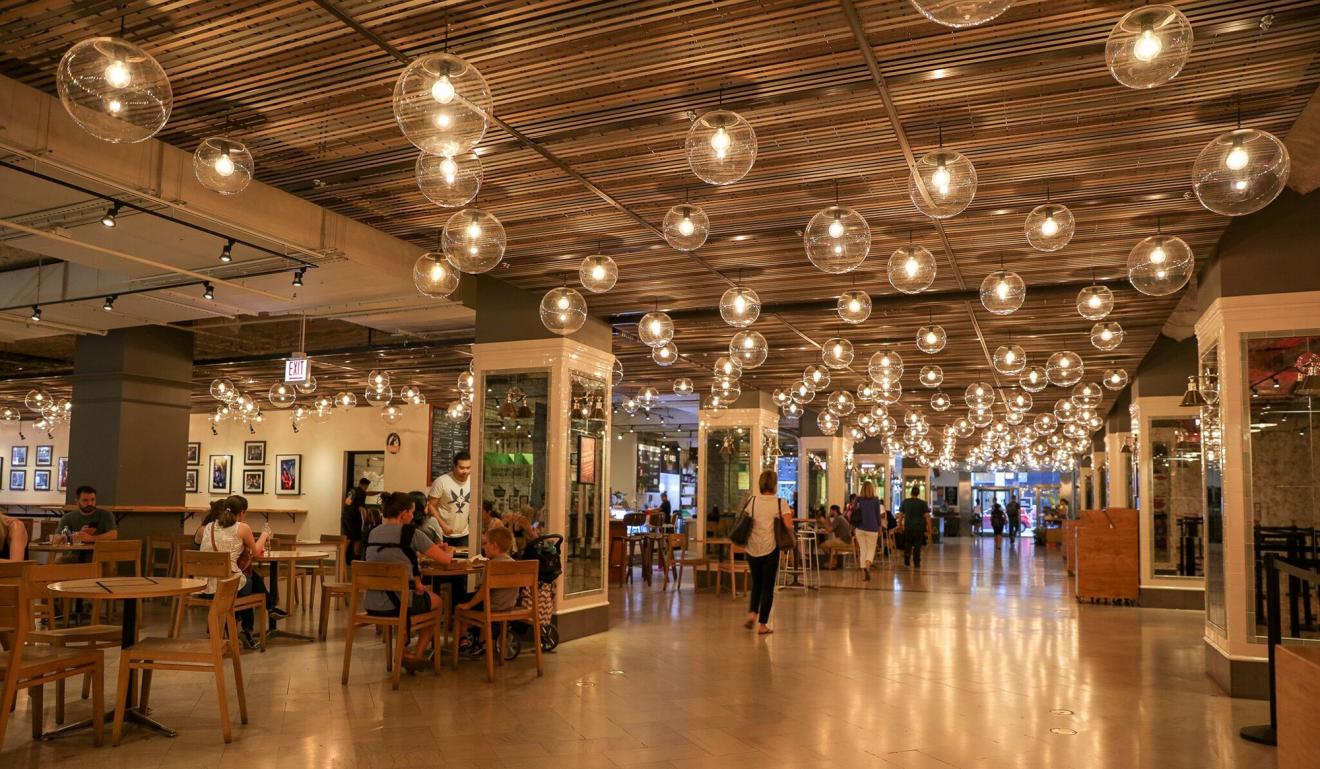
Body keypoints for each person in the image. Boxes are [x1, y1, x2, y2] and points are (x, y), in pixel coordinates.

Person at [364, 491, 457, 671]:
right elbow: (445, 560)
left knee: (421, 595)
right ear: (404, 513)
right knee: (438, 602)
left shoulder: (373, 532)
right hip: (400, 603)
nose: (413, 516)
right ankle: (417, 654)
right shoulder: (411, 532)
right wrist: (450, 551)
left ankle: (405, 647)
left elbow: (396, 555)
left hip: (372, 603)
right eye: (412, 512)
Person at [197, 495, 281, 650]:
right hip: (226, 588)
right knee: (248, 580)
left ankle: (257, 620)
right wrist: (264, 535)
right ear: (242, 512)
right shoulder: (242, 527)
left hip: (205, 587)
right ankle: (255, 622)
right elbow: (255, 553)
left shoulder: (209, 527)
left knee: (246, 578)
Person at [742, 469, 793, 635]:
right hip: (770, 549)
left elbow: (745, 520)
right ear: (775, 485)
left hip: (752, 548)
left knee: (756, 583)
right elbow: (789, 526)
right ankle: (762, 625)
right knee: (767, 587)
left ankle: (752, 614)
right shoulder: (780, 503)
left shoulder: (752, 501)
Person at [456, 526, 521, 655]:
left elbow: (482, 592)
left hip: (492, 606)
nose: (484, 547)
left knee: (462, 603)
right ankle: (482, 641)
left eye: (486, 543)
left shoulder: (491, 566)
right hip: (509, 604)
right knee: (483, 600)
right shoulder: (514, 563)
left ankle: (462, 639)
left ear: (494, 546)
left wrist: (468, 605)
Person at [427, 452, 472, 547]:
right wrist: (443, 525)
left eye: (468, 468)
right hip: (443, 534)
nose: (465, 471)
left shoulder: (473, 481)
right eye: (462, 468)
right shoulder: (441, 482)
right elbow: (430, 506)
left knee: (464, 561)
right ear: (454, 466)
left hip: (464, 534)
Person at [851, 482, 883, 580]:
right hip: (872, 528)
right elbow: (878, 515)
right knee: (871, 549)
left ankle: (863, 571)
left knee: (863, 549)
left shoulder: (858, 499)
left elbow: (853, 511)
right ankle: (867, 566)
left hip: (860, 528)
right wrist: (879, 526)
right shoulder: (876, 500)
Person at [898, 485, 931, 568]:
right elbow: (927, 517)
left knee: (907, 544)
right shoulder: (923, 503)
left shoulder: (905, 502)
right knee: (917, 545)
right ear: (918, 493)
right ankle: (916, 562)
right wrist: (929, 528)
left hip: (908, 527)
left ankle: (907, 559)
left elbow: (901, 515)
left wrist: (899, 525)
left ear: (911, 492)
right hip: (919, 528)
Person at [342, 478, 371, 561]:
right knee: (358, 538)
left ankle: (342, 558)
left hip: (345, 516)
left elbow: (347, 502)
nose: (366, 488)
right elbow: (361, 508)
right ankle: (357, 560)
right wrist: (366, 517)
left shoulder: (352, 490)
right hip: (354, 518)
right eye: (367, 486)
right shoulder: (362, 493)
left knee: (348, 538)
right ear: (365, 485)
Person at [820, 504, 853, 569]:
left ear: (834, 511)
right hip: (847, 540)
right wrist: (828, 518)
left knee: (822, 545)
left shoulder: (838, 518)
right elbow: (831, 527)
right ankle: (832, 562)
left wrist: (824, 522)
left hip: (844, 540)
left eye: (830, 510)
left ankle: (831, 562)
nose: (829, 512)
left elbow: (829, 530)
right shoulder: (839, 517)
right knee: (829, 545)